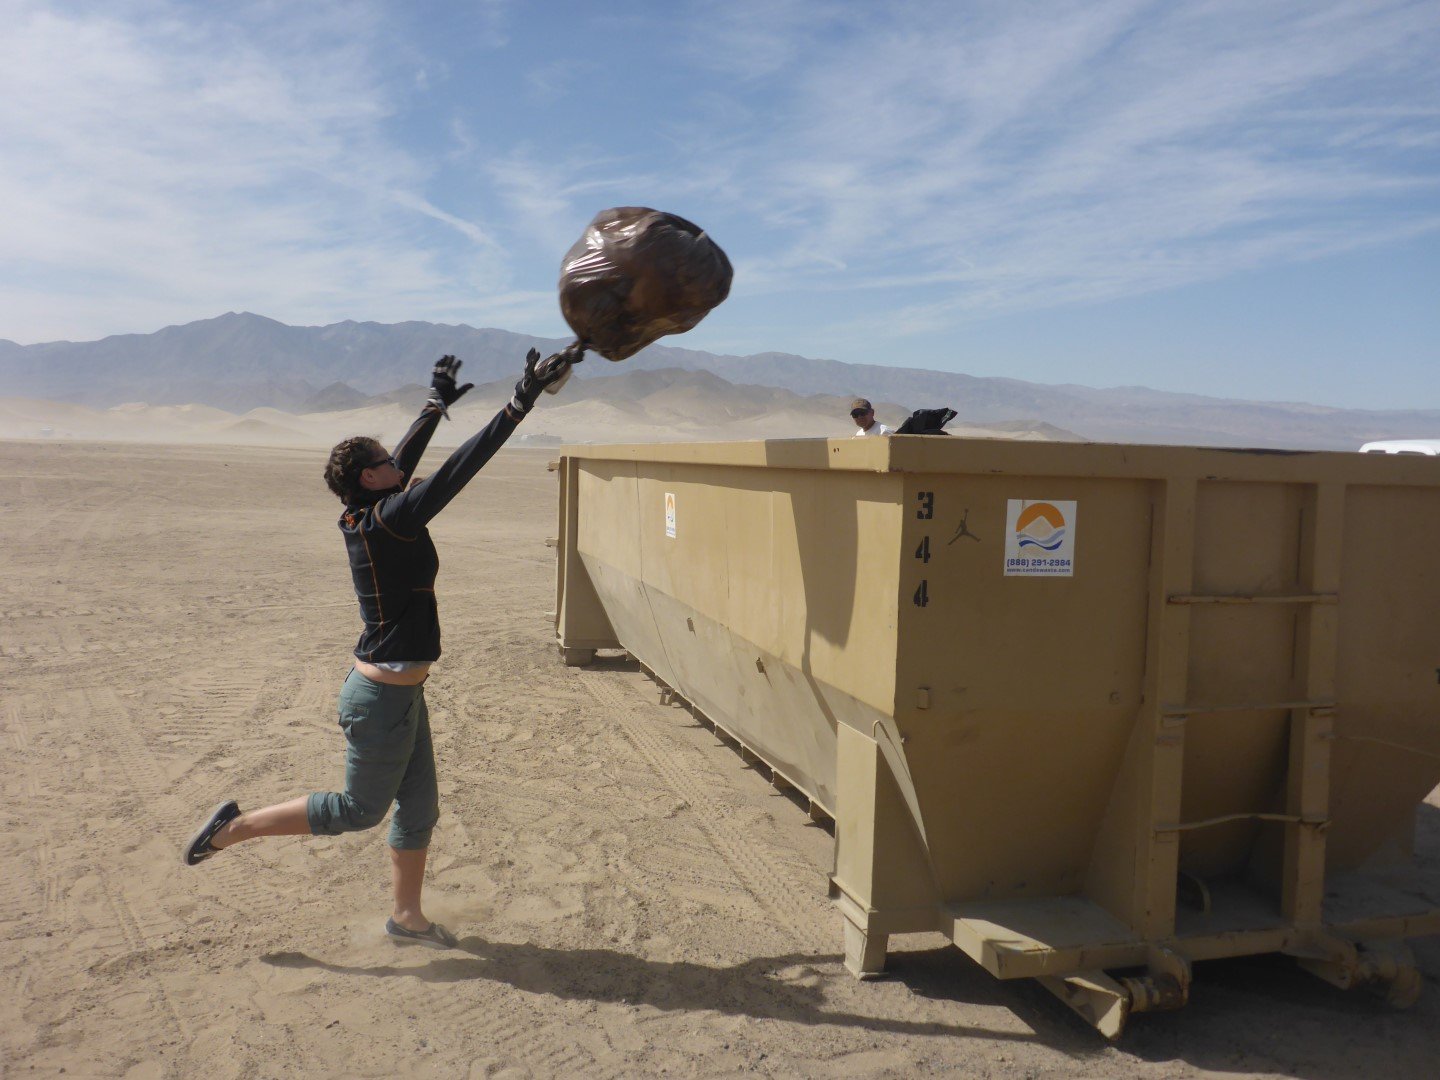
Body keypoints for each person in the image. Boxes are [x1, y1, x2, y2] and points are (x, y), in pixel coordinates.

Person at [181, 345, 579, 950]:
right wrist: (518, 404)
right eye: (385, 462)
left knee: (419, 811)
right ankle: (234, 829)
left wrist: (434, 404)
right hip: (379, 699)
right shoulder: (390, 519)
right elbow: (454, 473)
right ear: (371, 478)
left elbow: (408, 459)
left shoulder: (372, 511)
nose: (398, 463)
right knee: (358, 811)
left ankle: (406, 919)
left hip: (400, 694)